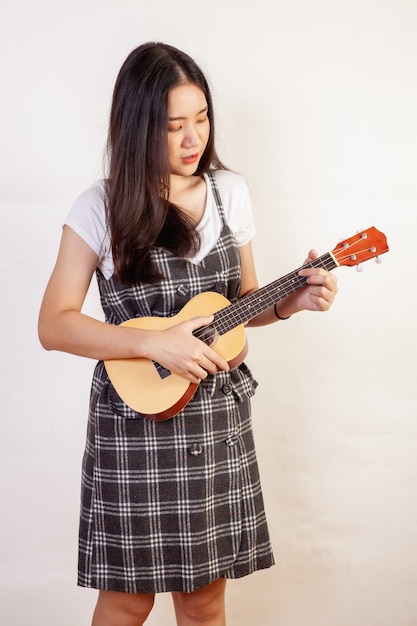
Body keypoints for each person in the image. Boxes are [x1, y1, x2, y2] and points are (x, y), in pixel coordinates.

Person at [38, 42, 338, 626]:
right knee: (128, 600)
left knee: (204, 602)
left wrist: (291, 304)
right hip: (135, 423)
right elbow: (54, 324)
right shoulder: (100, 206)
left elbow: (243, 305)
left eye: (200, 119)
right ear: (136, 127)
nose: (193, 138)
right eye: (174, 125)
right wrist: (154, 341)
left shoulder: (230, 192)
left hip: (214, 420)